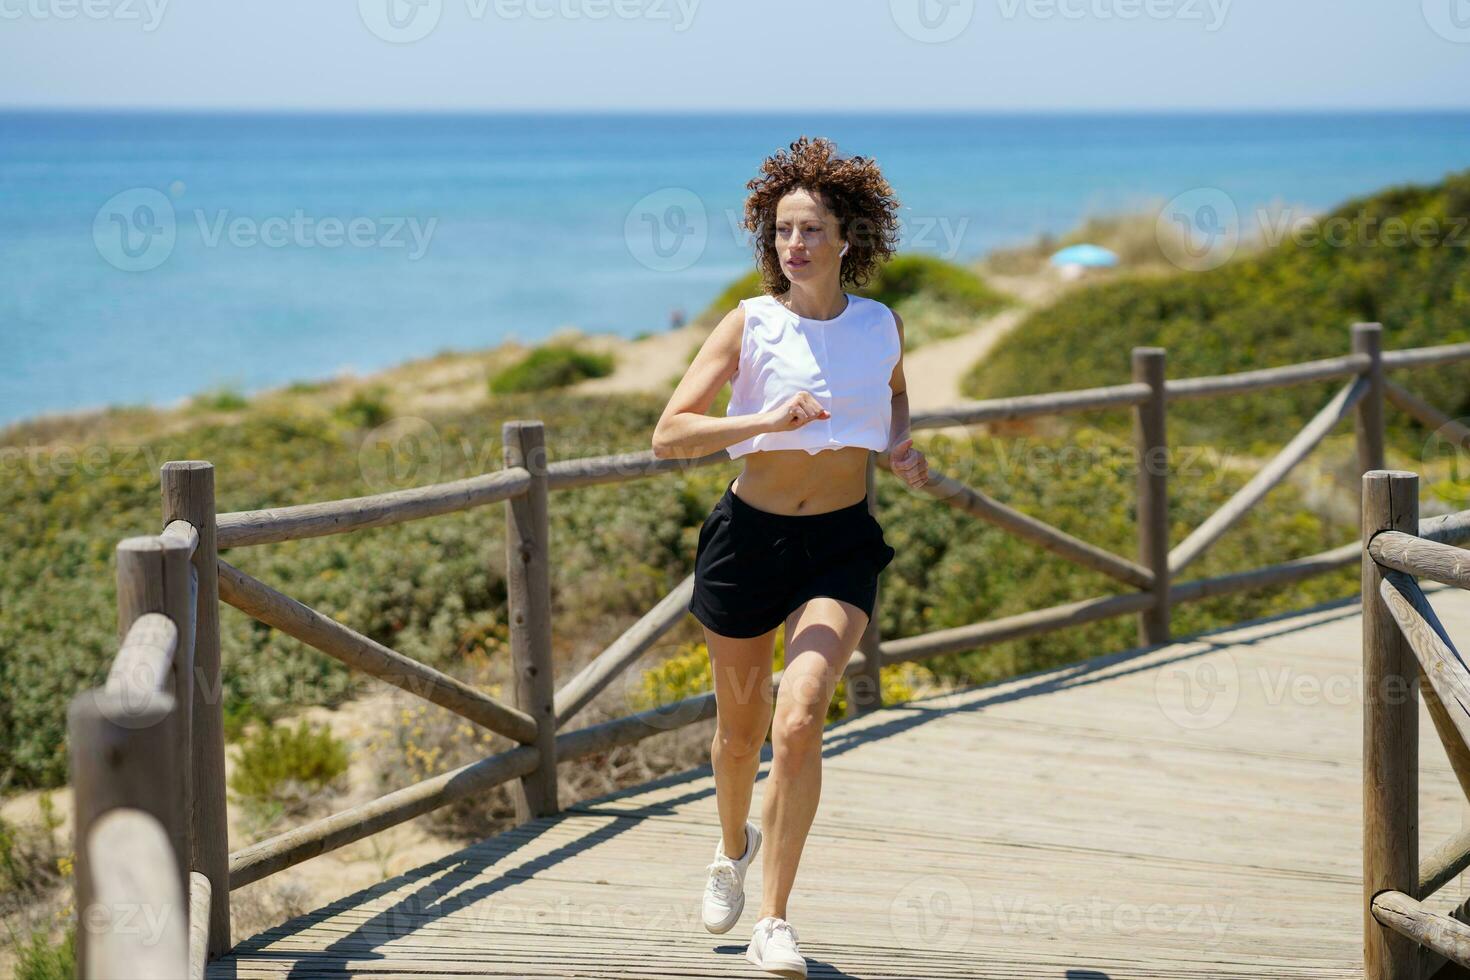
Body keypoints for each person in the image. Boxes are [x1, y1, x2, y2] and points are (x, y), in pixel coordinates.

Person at [650, 135, 930, 978]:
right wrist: (763, 422)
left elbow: (891, 403)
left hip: (840, 545)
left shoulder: (882, 324)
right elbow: (670, 434)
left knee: (800, 717)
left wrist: (904, 450)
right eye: (781, 231)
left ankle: (774, 920)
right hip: (749, 542)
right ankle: (730, 846)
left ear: (850, 239)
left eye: (811, 230)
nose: (794, 246)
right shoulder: (751, 321)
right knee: (738, 738)